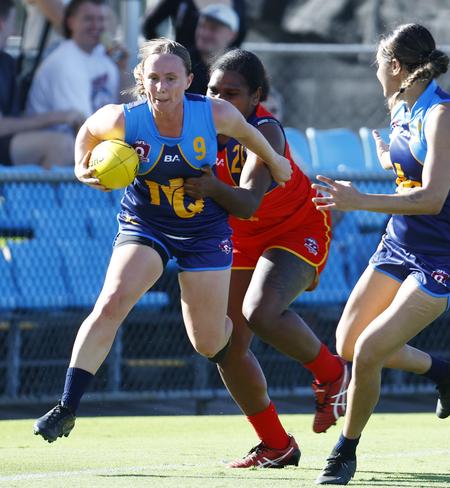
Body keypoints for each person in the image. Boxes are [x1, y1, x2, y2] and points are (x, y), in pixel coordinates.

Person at [32, 38, 291, 443]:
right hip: (146, 225)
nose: (162, 87)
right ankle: (66, 406)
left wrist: (276, 163)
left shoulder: (213, 113)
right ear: (141, 79)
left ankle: (231, 334)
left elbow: (250, 133)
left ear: (189, 80)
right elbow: (87, 131)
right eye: (153, 78)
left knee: (207, 342)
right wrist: (82, 168)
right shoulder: (123, 119)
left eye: (171, 78)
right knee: (112, 302)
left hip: (204, 232)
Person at [310, 24, 450, 485]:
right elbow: (410, 166)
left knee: (367, 352)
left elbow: (431, 198)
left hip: (444, 255)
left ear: (398, 67)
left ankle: (345, 451)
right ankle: (447, 372)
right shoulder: (401, 108)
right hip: (400, 243)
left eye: (379, 63)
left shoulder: (446, 115)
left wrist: (358, 199)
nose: (376, 72)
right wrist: (389, 159)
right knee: (348, 343)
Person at [183, 48, 348, 468]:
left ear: (256, 97)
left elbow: (247, 201)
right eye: (212, 90)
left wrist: (205, 186)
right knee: (227, 346)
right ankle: (277, 445)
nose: (219, 100)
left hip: (296, 228)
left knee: (260, 311)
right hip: (240, 236)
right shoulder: (193, 123)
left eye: (232, 93)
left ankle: (332, 374)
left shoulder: (265, 130)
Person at [0, 0, 81, 167]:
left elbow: (14, 119)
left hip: (8, 141)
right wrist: (57, 117)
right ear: (1, 24)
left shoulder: (6, 62)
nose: (13, 31)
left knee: (76, 141)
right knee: (61, 145)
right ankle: (31, 194)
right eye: (12, 24)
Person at [25, 0, 129, 128]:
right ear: (71, 23)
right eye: (88, 19)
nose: (96, 25)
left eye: (101, 19)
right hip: (64, 142)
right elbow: (83, 128)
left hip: (101, 136)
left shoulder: (103, 54)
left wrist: (122, 70)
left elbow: (128, 110)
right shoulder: (65, 63)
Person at [186, 3, 240, 95]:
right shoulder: (181, 62)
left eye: (213, 28)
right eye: (202, 26)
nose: (205, 33)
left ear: (232, 35)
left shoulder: (239, 70)